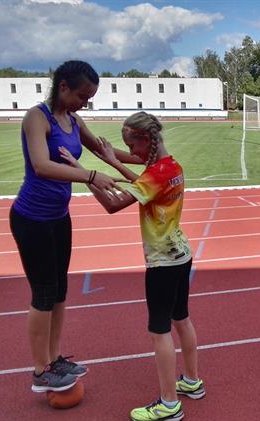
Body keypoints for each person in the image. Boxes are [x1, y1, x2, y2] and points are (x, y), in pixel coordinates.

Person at [9, 60, 141, 393]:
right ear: (63, 86)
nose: (86, 103)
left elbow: (103, 150)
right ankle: (40, 370)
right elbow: (41, 165)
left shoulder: (74, 119)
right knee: (42, 293)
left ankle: (54, 359)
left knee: (60, 292)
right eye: (83, 95)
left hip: (58, 218)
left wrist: (151, 159)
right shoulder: (37, 118)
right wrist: (90, 175)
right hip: (32, 219)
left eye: (90, 98)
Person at [61, 111, 202, 421]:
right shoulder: (171, 165)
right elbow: (141, 175)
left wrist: (84, 173)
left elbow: (113, 204)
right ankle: (192, 381)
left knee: (160, 330)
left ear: (146, 140)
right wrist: (102, 150)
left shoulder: (155, 174)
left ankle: (168, 403)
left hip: (163, 262)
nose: (131, 151)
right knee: (182, 318)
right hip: (181, 254)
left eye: (132, 145)